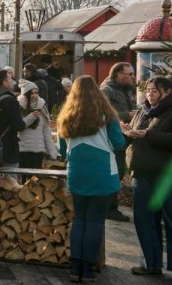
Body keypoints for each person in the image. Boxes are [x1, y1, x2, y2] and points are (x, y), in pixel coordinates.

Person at [58, 76, 125, 283]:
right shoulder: (107, 115)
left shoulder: (66, 116)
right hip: (103, 171)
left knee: (80, 218)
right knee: (96, 220)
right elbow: (119, 142)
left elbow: (62, 149)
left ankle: (75, 265)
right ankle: (87, 268)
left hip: (77, 170)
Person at [125, 75, 172, 276]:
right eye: (148, 90)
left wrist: (148, 135)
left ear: (168, 91)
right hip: (142, 173)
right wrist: (128, 132)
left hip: (168, 176)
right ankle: (150, 264)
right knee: (144, 220)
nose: (150, 94)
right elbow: (136, 132)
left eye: (155, 90)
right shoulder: (143, 110)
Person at [100, 62, 136, 221]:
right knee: (115, 172)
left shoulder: (126, 89)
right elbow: (101, 111)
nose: (132, 77)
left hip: (124, 137)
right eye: (129, 74)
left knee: (119, 172)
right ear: (117, 75)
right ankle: (109, 208)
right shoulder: (107, 89)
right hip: (112, 140)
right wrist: (127, 115)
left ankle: (110, 207)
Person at [0, 68, 32, 176]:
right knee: (11, 184)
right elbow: (18, 125)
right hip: (8, 147)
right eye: (10, 79)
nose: (12, 81)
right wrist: (29, 119)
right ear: (4, 82)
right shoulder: (10, 101)